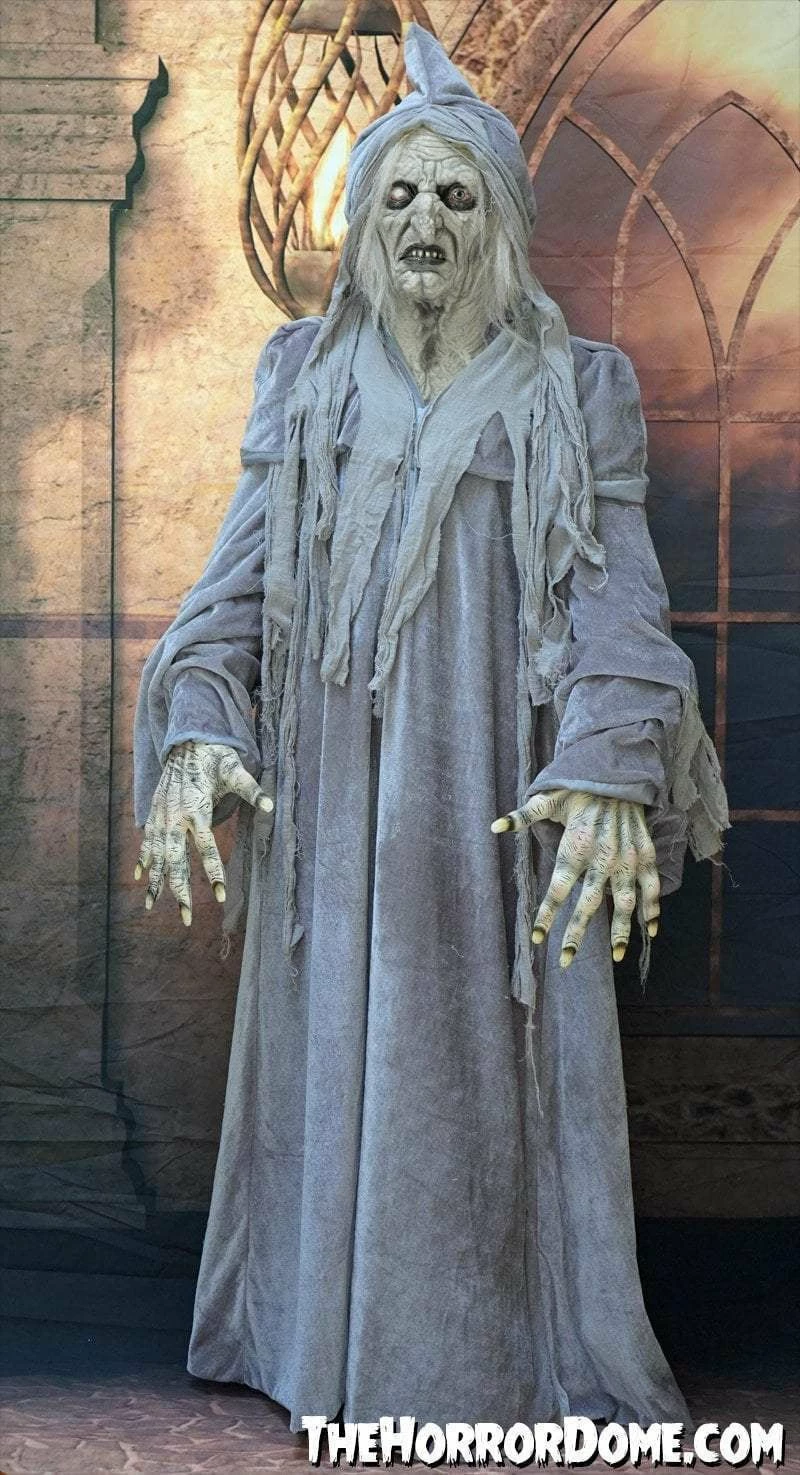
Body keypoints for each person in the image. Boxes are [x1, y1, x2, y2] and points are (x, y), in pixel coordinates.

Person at [133, 25, 728, 1431]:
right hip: (334, 813)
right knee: (334, 1063)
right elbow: (230, 598)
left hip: (492, 805)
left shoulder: (578, 388)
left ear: (501, 223)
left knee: (473, 1078)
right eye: (398, 194)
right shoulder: (305, 376)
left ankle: (480, 1364)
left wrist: (606, 768)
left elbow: (621, 611)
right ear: (360, 220)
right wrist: (199, 729)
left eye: (457, 196)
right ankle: (313, 1346)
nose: (424, 221)